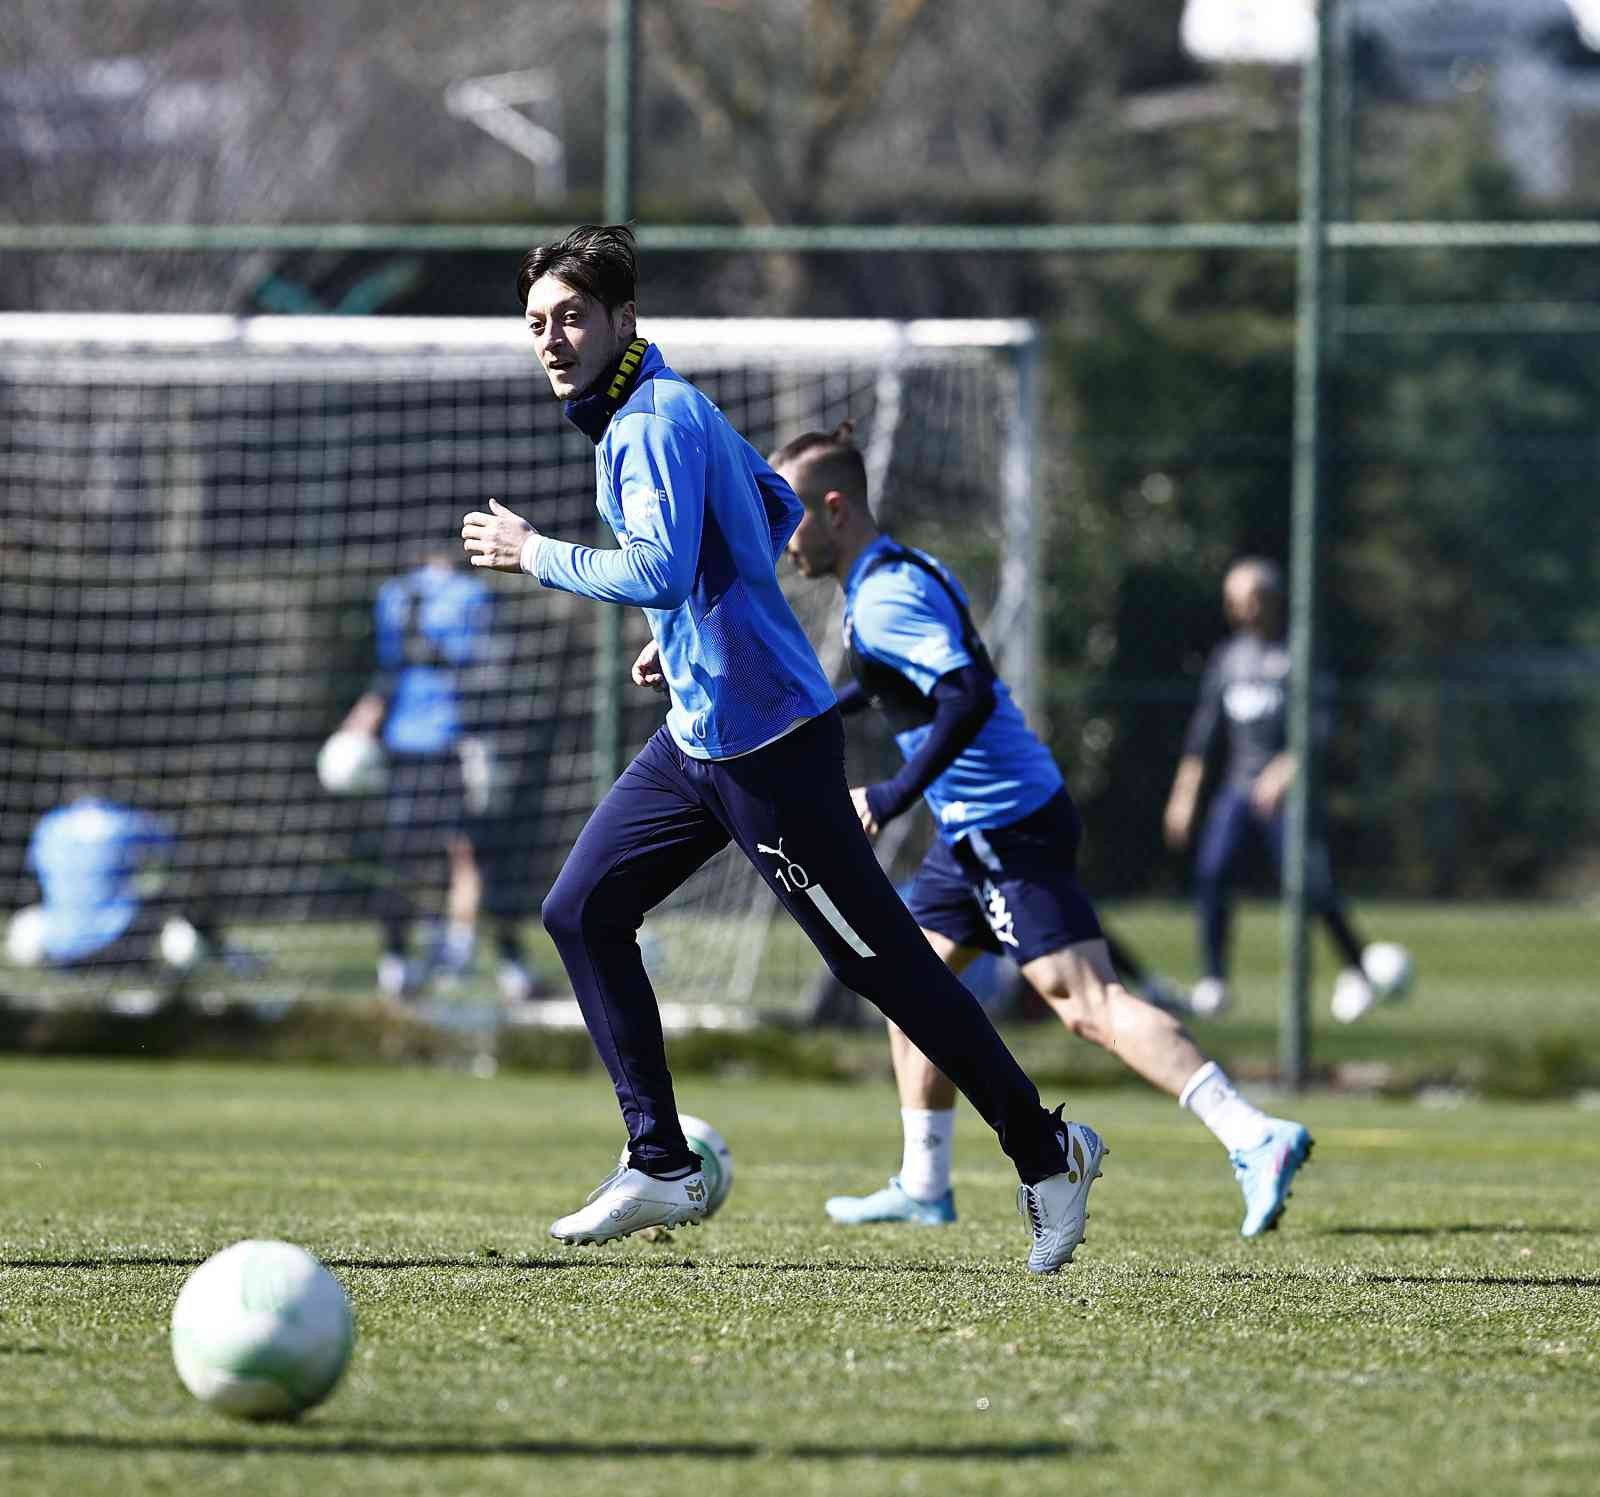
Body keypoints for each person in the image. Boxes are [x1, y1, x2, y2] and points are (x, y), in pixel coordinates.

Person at [461, 224, 1101, 1274]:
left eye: (572, 316)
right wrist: (696, 637)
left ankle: (1047, 1153)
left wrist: (535, 553)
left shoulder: (649, 422)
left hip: (767, 754)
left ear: (625, 319)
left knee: (884, 968)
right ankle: (659, 1160)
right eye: (537, 323)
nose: (552, 338)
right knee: (581, 909)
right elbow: (770, 504)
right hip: (698, 742)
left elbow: (661, 569)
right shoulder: (668, 400)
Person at [770, 425, 1311, 1238]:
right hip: (982, 823)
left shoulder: (883, 597)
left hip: (1000, 823)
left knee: (1087, 1003)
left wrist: (890, 792)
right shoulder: (902, 568)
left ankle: (1253, 1133)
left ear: (835, 508)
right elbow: (897, 685)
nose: (781, 536)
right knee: (903, 975)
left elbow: (965, 697)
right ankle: (924, 1180)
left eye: (789, 514)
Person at [1162, 557, 1410, 1023]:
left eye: (1249, 599)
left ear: (1272, 600)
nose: (1240, 610)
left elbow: (1321, 725)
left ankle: (1356, 969)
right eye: (1233, 601)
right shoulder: (1229, 658)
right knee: (1212, 871)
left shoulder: (1300, 652)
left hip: (1285, 793)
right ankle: (1214, 981)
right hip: (1238, 789)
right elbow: (1204, 733)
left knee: (1311, 884)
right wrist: (1184, 794)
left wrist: (1285, 769)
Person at [337, 550, 537, 1004]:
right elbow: (486, 669)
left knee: (411, 855)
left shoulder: (395, 595)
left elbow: (389, 674)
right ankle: (487, 962)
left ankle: (401, 964)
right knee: (472, 854)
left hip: (412, 743)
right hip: (452, 741)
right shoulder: (472, 595)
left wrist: (363, 720)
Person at [5, 786, 232, 989]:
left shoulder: (49, 825)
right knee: (174, 920)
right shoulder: (129, 822)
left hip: (64, 951)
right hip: (123, 947)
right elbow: (173, 855)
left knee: (29, 920)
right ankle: (198, 961)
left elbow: (35, 878)